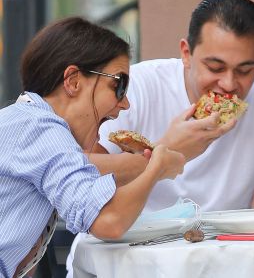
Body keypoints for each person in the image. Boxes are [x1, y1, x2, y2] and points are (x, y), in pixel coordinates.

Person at [66, 0, 254, 275]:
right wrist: (166, 150)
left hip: (222, 262)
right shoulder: (137, 88)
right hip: (128, 259)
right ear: (186, 53)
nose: (228, 84)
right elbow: (81, 170)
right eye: (215, 67)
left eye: (245, 70)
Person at [0, 16, 196, 278]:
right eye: (119, 85)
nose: (125, 103)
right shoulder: (41, 128)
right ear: (72, 81)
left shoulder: (25, 122)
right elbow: (108, 221)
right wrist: (156, 167)